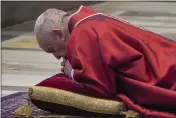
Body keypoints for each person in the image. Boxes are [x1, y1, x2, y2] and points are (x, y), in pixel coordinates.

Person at [34, 6, 176, 118]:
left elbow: (100, 88)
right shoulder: (88, 17)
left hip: (166, 74)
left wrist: (71, 72)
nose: (57, 57)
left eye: (52, 49)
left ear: (59, 33)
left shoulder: (83, 34)